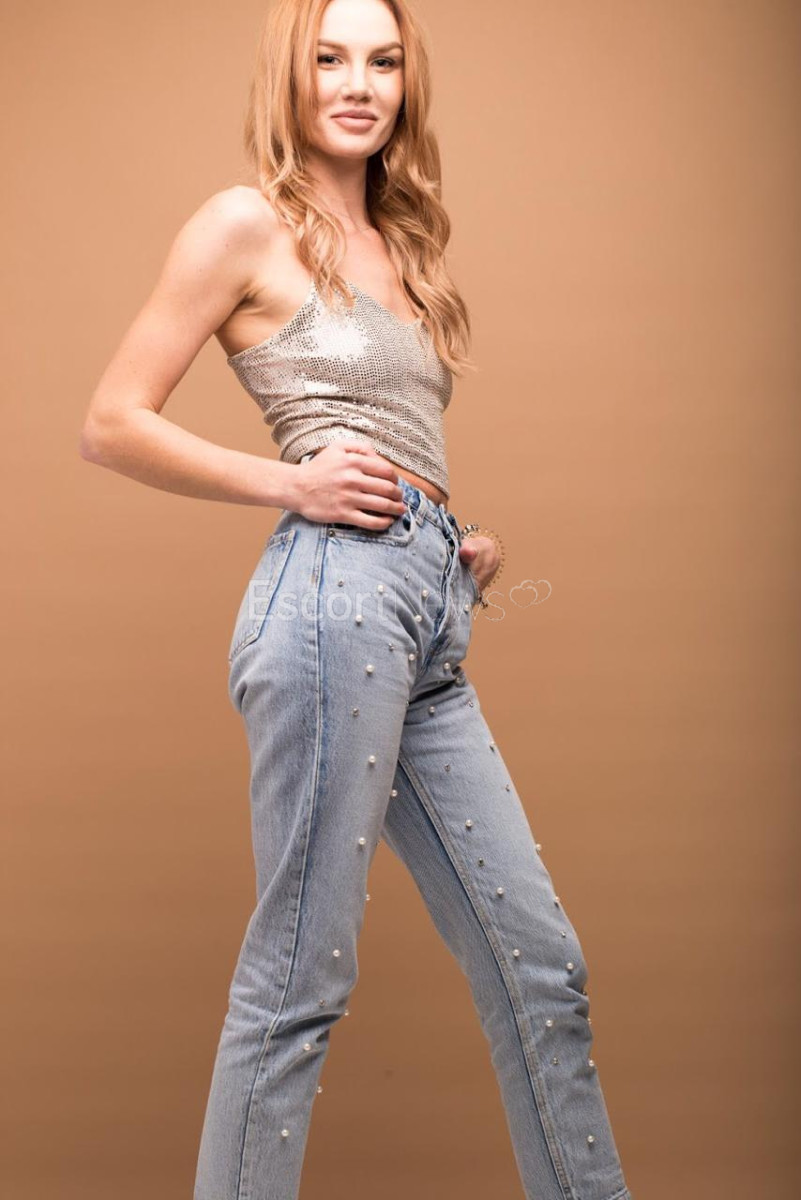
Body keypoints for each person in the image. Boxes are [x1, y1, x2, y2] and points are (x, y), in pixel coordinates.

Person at [79, 1, 634, 1198]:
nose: (357, 83)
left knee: (544, 971)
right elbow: (110, 422)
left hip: (423, 612)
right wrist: (294, 481)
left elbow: (396, 440)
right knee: (299, 982)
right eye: (329, 57)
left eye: (383, 61)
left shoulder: (399, 243)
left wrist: (448, 541)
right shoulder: (244, 223)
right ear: (290, 74)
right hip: (331, 605)